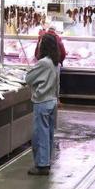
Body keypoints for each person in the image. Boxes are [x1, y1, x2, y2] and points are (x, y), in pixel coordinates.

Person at [26, 34, 61, 175]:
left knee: (40, 135)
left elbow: (28, 78)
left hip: (42, 101)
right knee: (49, 134)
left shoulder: (43, 63)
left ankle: (41, 165)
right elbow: (57, 83)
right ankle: (46, 161)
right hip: (52, 101)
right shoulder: (55, 62)